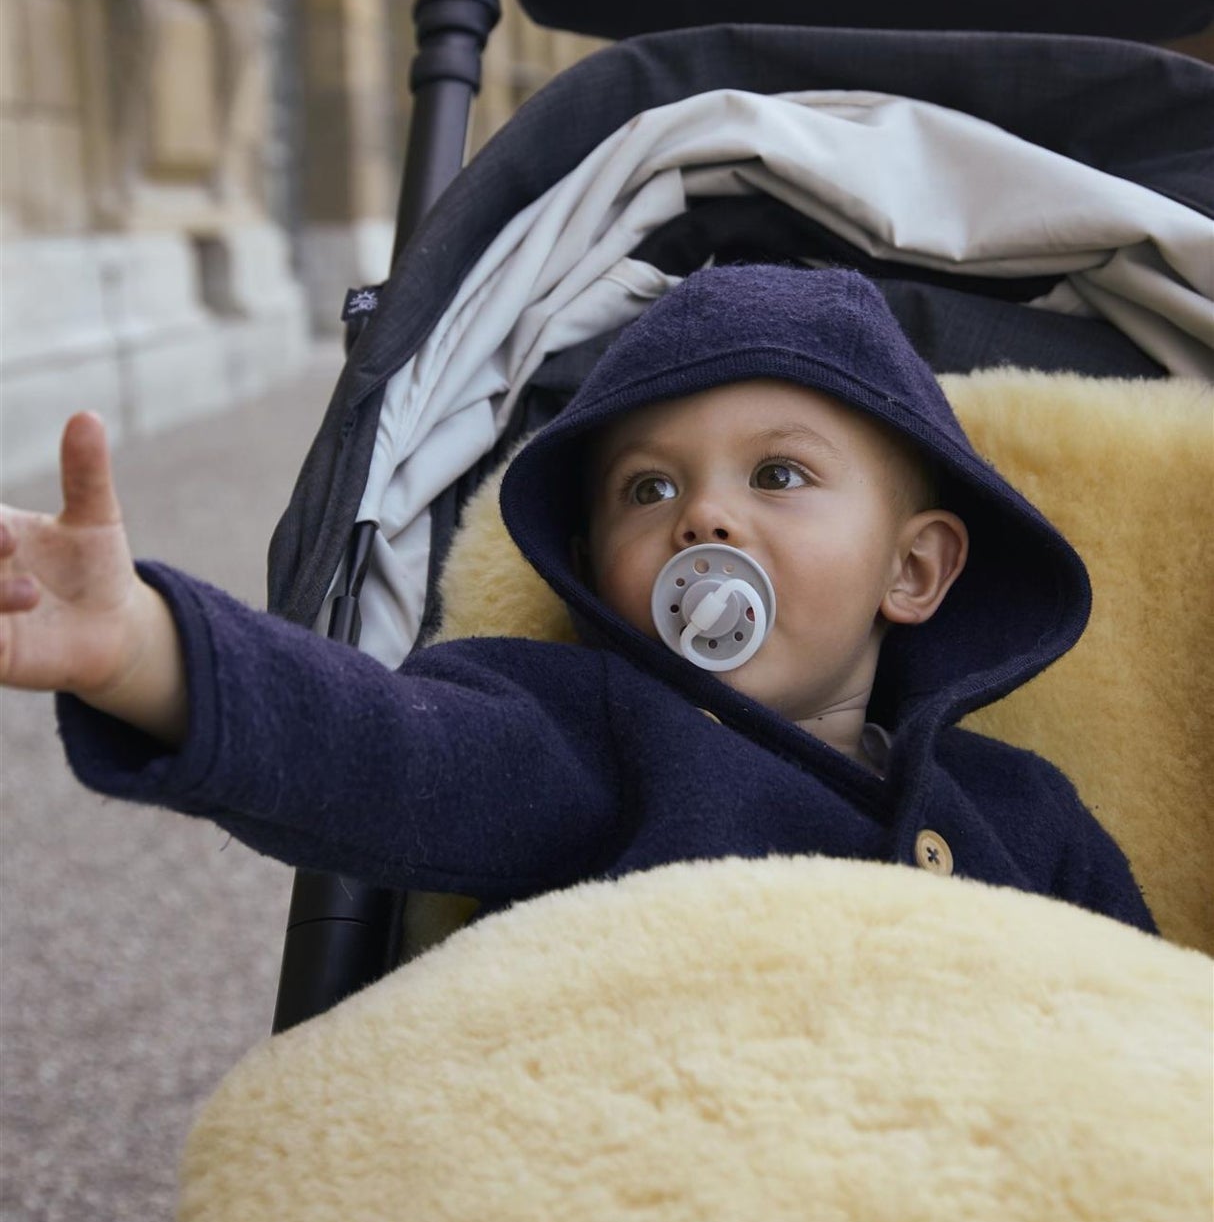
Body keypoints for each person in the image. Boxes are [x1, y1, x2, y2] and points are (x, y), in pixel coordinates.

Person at [0, 266, 1154, 929]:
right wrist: (141, 647)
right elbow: (374, 747)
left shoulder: (1023, 813)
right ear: (597, 559)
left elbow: (1148, 1037)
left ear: (911, 570)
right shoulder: (577, 732)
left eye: (778, 475)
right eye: (647, 488)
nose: (700, 519)